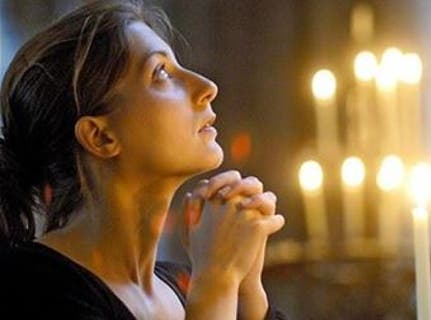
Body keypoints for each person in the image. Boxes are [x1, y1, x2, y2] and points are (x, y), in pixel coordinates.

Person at [0, 0, 286, 319]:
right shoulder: (29, 289)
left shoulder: (183, 285)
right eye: (161, 72)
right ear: (101, 136)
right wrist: (217, 283)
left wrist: (248, 295)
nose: (207, 87)